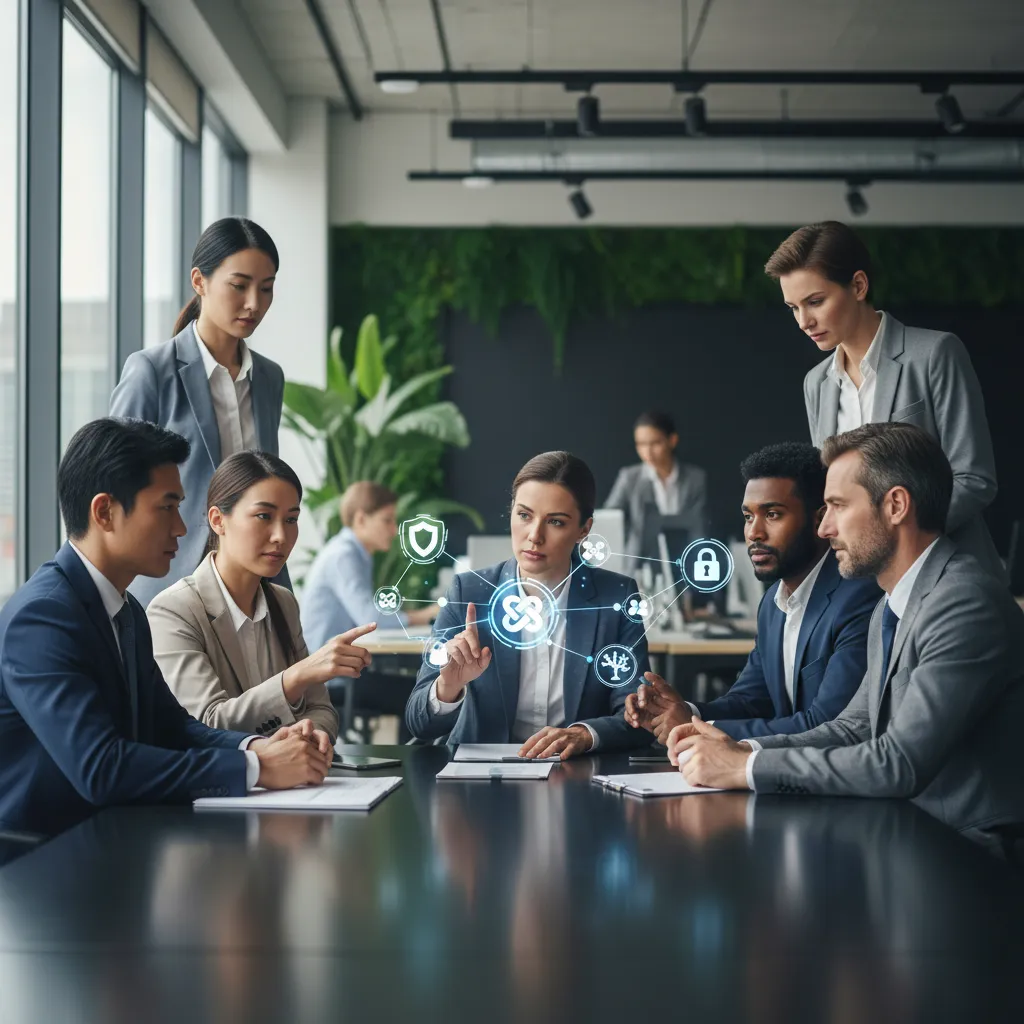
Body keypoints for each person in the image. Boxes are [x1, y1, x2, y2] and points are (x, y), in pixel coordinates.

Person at [668, 423, 1024, 839]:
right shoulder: (891, 605)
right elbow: (850, 729)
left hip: (974, 850)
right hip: (911, 830)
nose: (824, 528)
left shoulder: (963, 603)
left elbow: (898, 764)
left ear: (895, 506)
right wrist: (741, 749)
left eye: (837, 506)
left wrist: (744, 768)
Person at [0, 419, 333, 839]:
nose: (180, 527)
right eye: (166, 507)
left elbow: (171, 727)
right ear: (104, 512)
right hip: (44, 864)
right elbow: (100, 767)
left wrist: (255, 747)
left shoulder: (127, 610)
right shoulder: (44, 617)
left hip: (115, 839)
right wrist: (258, 768)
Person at [765, 220, 1004, 581]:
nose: (803, 321)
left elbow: (974, 478)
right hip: (859, 589)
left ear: (858, 285)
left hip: (946, 576)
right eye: (793, 307)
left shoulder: (935, 354)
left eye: (815, 301)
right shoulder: (816, 383)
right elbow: (830, 495)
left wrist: (894, 541)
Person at [624, 442, 879, 742]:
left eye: (772, 514)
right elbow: (751, 701)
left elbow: (827, 725)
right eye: (748, 516)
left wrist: (699, 729)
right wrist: (680, 711)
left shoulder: (858, 598)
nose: (753, 533)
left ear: (819, 519)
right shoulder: (772, 604)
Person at [405, 451, 650, 757]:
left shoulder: (617, 596)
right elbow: (419, 723)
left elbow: (638, 717)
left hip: (576, 775)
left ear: (584, 530)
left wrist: (584, 735)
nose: (534, 536)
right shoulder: (468, 591)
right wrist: (448, 687)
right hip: (480, 778)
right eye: (524, 515)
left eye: (556, 522)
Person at [110, 217, 286, 606]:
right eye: (239, 286)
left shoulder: (269, 378)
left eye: (266, 288)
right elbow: (114, 487)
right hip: (172, 589)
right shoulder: (151, 372)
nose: (254, 303)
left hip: (252, 590)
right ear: (199, 281)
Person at [147, 452, 376, 742]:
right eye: (264, 516)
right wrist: (297, 676)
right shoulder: (174, 610)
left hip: (294, 781)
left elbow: (321, 709)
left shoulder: (283, 602)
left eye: (291, 519)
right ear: (218, 520)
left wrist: (309, 737)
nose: (281, 535)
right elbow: (206, 724)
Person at [302, 482, 437, 742]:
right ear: (361, 519)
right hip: (331, 681)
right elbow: (370, 618)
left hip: (341, 672)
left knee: (418, 691)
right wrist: (423, 615)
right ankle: (410, 770)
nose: (394, 530)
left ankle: (406, 767)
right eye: (387, 520)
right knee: (417, 697)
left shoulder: (354, 553)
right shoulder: (343, 556)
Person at [604, 411, 707, 573]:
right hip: (640, 562)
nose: (648, 451)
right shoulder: (629, 478)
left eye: (655, 443)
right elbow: (610, 517)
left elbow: (699, 526)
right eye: (641, 444)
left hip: (684, 559)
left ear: (672, 440)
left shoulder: (695, 479)